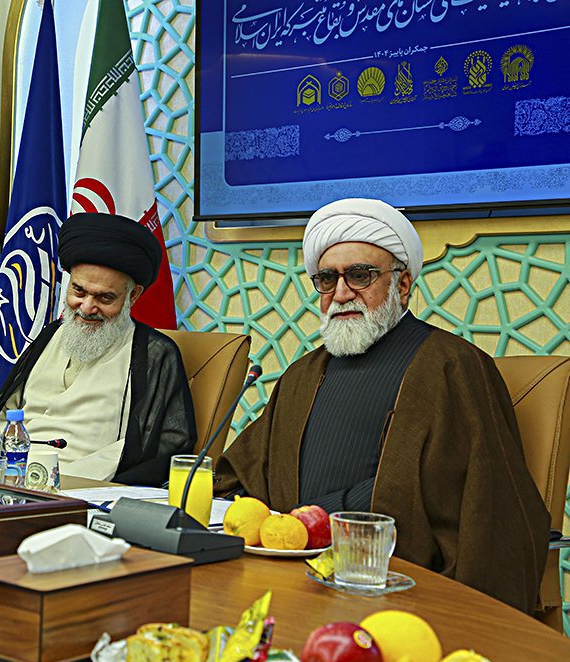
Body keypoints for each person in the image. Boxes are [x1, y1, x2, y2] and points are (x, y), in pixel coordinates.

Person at [214, 198, 549, 614]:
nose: (341, 293)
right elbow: (244, 475)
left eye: (360, 275)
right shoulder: (301, 375)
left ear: (402, 285)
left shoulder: (452, 366)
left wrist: (322, 517)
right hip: (287, 574)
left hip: (399, 588)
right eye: (327, 279)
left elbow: (478, 501)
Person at [0, 212, 196, 486]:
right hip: (8, 479)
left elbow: (167, 444)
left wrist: (71, 482)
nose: (87, 308)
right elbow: (3, 422)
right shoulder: (51, 334)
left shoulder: (153, 353)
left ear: (133, 295)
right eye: (78, 292)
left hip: (85, 489)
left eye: (105, 298)